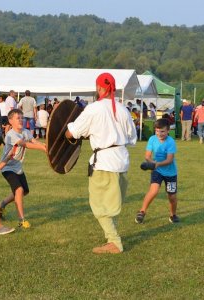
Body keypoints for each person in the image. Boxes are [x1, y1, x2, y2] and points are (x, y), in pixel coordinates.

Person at [65, 72, 137, 254]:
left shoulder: (94, 109)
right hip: (121, 160)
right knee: (110, 203)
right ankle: (111, 237)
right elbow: (132, 138)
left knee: (99, 204)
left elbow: (73, 132)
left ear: (99, 88)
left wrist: (63, 132)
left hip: (104, 162)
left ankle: (114, 241)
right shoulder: (123, 109)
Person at [0, 109, 47, 229]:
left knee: (24, 191)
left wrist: (45, 146)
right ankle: (21, 220)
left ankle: (2, 204)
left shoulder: (25, 131)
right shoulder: (11, 135)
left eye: (21, 117)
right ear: (10, 121)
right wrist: (42, 149)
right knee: (19, 190)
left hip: (18, 167)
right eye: (17, 118)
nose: (21, 120)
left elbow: (33, 141)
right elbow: (25, 144)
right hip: (7, 167)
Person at [135, 118, 179, 225]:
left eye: (162, 131)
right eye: (157, 131)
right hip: (157, 171)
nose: (159, 133)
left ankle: (173, 215)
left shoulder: (171, 142)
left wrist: (156, 164)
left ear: (168, 131)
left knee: (172, 196)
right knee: (153, 191)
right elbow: (147, 156)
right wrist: (151, 163)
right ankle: (142, 212)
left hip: (171, 173)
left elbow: (169, 160)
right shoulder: (152, 139)